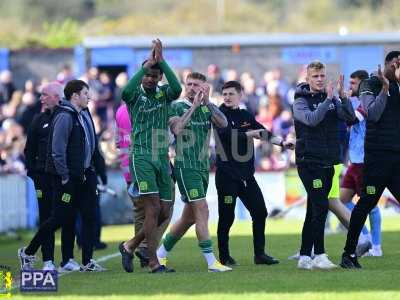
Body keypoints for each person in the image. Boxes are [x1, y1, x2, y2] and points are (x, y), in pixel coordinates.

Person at [18, 79, 106, 272]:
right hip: (68, 178)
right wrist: (65, 176)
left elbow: (92, 145)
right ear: (74, 96)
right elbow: (57, 150)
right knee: (58, 218)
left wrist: (95, 171)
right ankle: (29, 251)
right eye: (85, 94)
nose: (89, 97)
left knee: (90, 216)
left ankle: (87, 261)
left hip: (85, 175)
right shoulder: (65, 116)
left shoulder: (83, 114)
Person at [156, 72, 232, 273]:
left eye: (195, 84)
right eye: (188, 84)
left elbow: (223, 123)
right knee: (202, 210)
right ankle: (211, 262)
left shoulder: (207, 107)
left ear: (203, 87)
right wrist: (195, 107)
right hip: (185, 166)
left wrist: (207, 103)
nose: (190, 87)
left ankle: (160, 254)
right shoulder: (176, 106)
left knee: (189, 218)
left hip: (202, 167)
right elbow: (177, 129)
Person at [118, 39, 182, 273]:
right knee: (152, 209)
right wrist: (146, 65)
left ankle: (130, 246)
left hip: (162, 158)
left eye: (155, 76)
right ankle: (153, 262)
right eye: (148, 75)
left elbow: (177, 88)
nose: (150, 79)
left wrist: (162, 62)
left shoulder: (164, 94)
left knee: (164, 211)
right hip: (142, 156)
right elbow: (125, 91)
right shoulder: (135, 95)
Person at [214, 80, 293, 266]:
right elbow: (227, 135)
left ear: (240, 95)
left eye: (231, 94)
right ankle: (224, 256)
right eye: (224, 94)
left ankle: (260, 254)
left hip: (246, 175)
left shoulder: (244, 114)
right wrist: (250, 134)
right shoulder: (219, 114)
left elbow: (262, 132)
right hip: (227, 176)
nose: (227, 97)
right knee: (227, 217)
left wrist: (282, 143)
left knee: (260, 212)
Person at [293, 61, 355, 270]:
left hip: (329, 160)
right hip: (309, 161)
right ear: (308, 79)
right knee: (320, 207)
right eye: (315, 76)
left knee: (314, 208)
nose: (319, 80)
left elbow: (350, 118)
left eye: (322, 76)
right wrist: (329, 99)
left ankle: (304, 256)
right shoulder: (300, 101)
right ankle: (319, 254)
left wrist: (343, 97)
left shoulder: (332, 99)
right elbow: (311, 120)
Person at [341, 51, 400, 269]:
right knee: (366, 203)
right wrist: (385, 88)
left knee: (367, 204)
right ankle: (349, 253)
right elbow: (373, 114)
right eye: (395, 64)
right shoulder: (370, 84)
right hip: (376, 158)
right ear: (387, 64)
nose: (397, 68)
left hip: (396, 157)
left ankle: (360, 250)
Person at [24, 81, 80, 271]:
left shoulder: (66, 116)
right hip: (43, 177)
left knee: (67, 215)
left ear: (56, 96)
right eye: (41, 95)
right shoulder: (38, 120)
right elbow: (29, 149)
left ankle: (67, 258)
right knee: (47, 215)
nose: (41, 98)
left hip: (60, 176)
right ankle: (48, 260)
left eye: (45, 95)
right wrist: (33, 174)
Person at [116, 103, 175, 269]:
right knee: (161, 210)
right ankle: (144, 252)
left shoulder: (120, 110)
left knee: (143, 213)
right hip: (150, 167)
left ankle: (137, 250)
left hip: (130, 167)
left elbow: (118, 141)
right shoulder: (149, 108)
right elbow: (164, 138)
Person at [340, 70, 382, 257]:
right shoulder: (357, 103)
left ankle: (376, 247)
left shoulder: (366, 104)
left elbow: (350, 120)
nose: (350, 87)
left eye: (353, 84)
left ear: (363, 85)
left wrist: (343, 99)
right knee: (341, 200)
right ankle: (364, 237)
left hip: (366, 162)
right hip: (355, 162)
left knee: (371, 206)